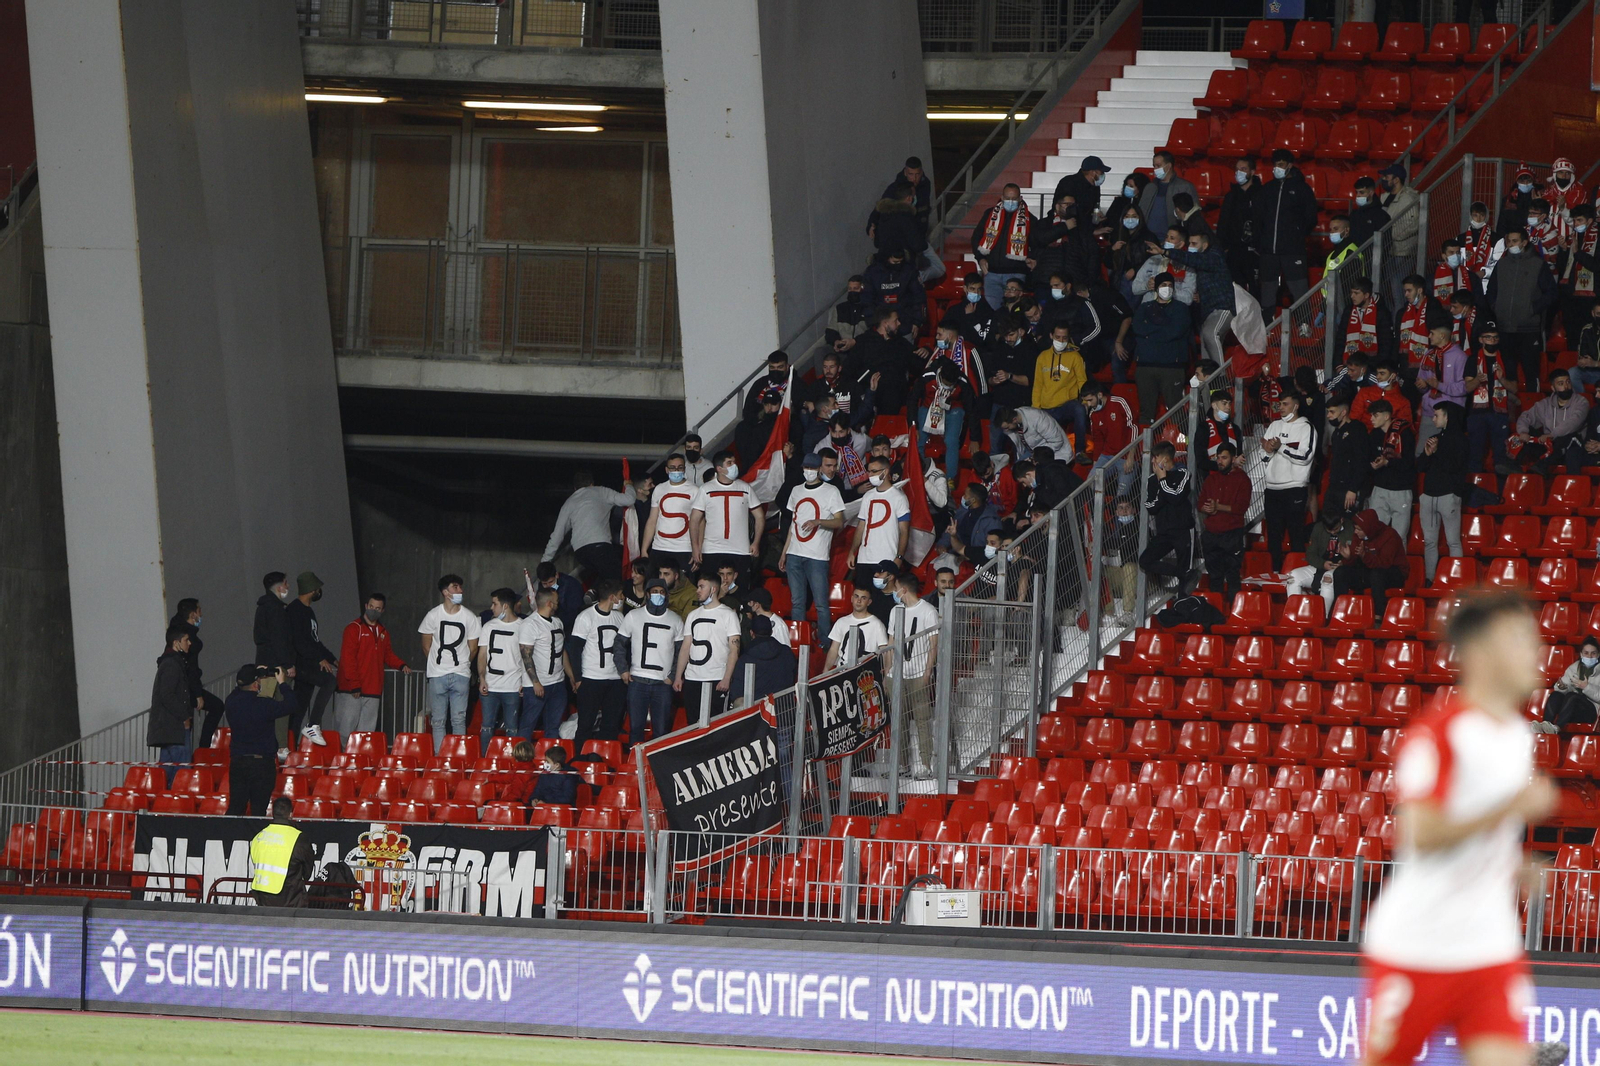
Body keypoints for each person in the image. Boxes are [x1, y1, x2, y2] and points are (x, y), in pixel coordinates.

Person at [1361, 594, 1558, 1066]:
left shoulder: (1515, 736)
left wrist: (1513, 865)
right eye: (1520, 639)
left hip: (1489, 947)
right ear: (1481, 651)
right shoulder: (1439, 734)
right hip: (1417, 946)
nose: (1537, 652)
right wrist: (1509, 806)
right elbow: (1423, 834)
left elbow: (1479, 834)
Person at [780, 452, 845, 641]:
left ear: (819, 469)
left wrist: (818, 521)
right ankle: (800, 641)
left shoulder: (831, 491)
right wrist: (784, 553)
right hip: (794, 553)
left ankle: (824, 642)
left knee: (821, 604)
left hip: (817, 556)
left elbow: (839, 521)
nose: (808, 471)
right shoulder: (796, 491)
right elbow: (794, 524)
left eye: (812, 468)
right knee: (797, 603)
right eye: (806, 468)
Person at [1486, 227, 1557, 390]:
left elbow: (1551, 293)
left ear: (1524, 242)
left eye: (1515, 241)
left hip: (1528, 329)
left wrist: (1532, 309)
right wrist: (1497, 308)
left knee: (1531, 373)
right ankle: (1511, 411)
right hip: (1505, 328)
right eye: (1508, 241)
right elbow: (1491, 291)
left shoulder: (1538, 264)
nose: (1511, 244)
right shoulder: (1501, 264)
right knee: (1509, 374)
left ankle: (1534, 406)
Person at [332, 593, 409, 739]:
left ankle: (360, 760)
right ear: (366, 606)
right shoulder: (354, 629)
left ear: (382, 610)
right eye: (371, 606)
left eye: (377, 608)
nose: (373, 610)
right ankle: (341, 759)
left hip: (372, 690)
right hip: (351, 690)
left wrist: (401, 665)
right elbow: (348, 659)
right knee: (345, 731)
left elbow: (387, 655)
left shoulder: (383, 632)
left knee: (366, 734)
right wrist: (354, 684)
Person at [418, 574, 481, 753]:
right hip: (445, 673)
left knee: (455, 720)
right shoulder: (434, 615)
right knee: (441, 720)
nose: (460, 590)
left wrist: (457, 664)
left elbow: (473, 647)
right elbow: (426, 645)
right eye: (455, 587)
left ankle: (455, 759)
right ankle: (443, 759)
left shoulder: (468, 617)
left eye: (460, 587)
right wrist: (459, 664)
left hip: (454, 673)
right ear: (445, 592)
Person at [225, 665, 297, 816]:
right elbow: (291, 704)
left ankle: (230, 837)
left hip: (238, 763)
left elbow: (239, 689)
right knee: (258, 810)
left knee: (236, 808)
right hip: (262, 765)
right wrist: (283, 683)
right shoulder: (264, 704)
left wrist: (252, 674)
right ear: (256, 684)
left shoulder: (231, 702)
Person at [890, 572, 941, 779]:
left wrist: (927, 673)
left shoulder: (928, 611)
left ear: (903, 589)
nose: (894, 592)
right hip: (897, 674)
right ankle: (902, 765)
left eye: (895, 588)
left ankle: (926, 765)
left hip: (918, 673)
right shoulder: (895, 610)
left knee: (922, 721)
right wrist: (888, 671)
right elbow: (892, 640)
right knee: (898, 721)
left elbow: (933, 644)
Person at [542, 469, 634, 582]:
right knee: (617, 578)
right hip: (600, 545)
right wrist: (629, 486)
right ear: (592, 484)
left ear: (575, 488)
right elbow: (629, 500)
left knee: (602, 576)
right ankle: (593, 592)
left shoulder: (569, 502)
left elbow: (557, 536)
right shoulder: (601, 491)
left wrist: (544, 563)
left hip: (580, 552)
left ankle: (594, 592)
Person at [1253, 150, 1319, 307]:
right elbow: (1258, 217)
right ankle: (1268, 325)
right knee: (1268, 289)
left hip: (1293, 250)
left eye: (1281, 164)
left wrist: (1297, 235)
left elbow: (1310, 217)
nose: (1277, 168)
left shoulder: (1302, 189)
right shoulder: (1267, 189)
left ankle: (1304, 325)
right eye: (1275, 164)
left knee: (1299, 288)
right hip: (1269, 250)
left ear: (1290, 165)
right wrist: (1260, 241)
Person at [621, 577, 684, 744]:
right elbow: (619, 644)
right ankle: (635, 765)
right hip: (637, 682)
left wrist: (672, 676)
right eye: (655, 592)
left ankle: (655, 768)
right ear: (647, 594)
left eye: (662, 592)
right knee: (635, 729)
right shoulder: (633, 616)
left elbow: (681, 652)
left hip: (662, 684)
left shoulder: (676, 620)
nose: (658, 595)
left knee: (662, 731)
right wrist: (623, 670)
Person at [567, 578, 627, 748]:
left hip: (615, 679)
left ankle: (604, 760)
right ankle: (580, 759)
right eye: (621, 595)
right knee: (586, 724)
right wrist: (578, 678)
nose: (622, 598)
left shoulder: (619, 617)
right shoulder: (586, 617)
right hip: (591, 678)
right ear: (613, 597)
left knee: (611, 725)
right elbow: (575, 650)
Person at [675, 571, 741, 721]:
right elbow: (686, 647)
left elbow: (734, 649)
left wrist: (726, 678)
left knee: (716, 724)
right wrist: (679, 675)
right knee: (692, 723)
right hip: (693, 678)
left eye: (701, 587)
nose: (697, 591)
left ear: (713, 589)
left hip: (716, 679)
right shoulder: (693, 615)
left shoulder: (728, 615)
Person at [1261, 391, 1315, 572]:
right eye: (1280, 404)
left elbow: (1306, 457)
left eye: (1285, 404)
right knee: (1274, 536)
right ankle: (1275, 572)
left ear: (1296, 405)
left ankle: (1298, 573)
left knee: (1296, 533)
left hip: (1294, 488)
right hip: (1272, 488)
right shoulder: (1274, 425)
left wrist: (1280, 447)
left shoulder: (1306, 427)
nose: (1281, 408)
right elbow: (1263, 456)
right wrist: (1268, 451)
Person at [690, 450, 764, 580]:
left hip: (740, 550)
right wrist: (695, 547)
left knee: (740, 592)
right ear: (719, 468)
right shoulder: (705, 489)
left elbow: (759, 516)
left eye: (734, 462)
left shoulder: (745, 488)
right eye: (729, 463)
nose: (734, 465)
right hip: (712, 550)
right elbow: (695, 520)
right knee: (711, 591)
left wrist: (756, 542)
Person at [1417, 402, 1469, 583]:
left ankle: (1457, 579)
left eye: (1437, 415)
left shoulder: (1461, 440)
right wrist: (1428, 453)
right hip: (1429, 495)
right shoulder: (1434, 438)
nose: (1433, 418)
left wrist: (1437, 452)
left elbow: (1454, 467)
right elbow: (1420, 466)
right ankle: (1430, 579)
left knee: (1453, 542)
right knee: (1429, 542)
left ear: (1447, 417)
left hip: (1448, 495)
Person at [284, 571, 336, 748]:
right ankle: (313, 725)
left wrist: (333, 659)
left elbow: (315, 641)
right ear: (311, 589)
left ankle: (289, 748)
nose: (319, 591)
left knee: (298, 709)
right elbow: (299, 641)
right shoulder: (295, 610)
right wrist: (319, 659)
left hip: (307, 662)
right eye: (317, 588)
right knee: (329, 681)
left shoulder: (308, 611)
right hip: (302, 663)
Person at [1131, 272, 1191, 423]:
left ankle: (1186, 445)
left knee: (1177, 412)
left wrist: (1150, 333)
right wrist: (1163, 330)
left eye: (1170, 285)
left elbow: (1175, 331)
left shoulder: (1181, 308)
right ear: (1156, 288)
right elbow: (1138, 328)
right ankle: (1145, 446)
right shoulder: (1144, 308)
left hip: (1172, 368)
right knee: (1146, 412)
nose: (1167, 288)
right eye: (1164, 285)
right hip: (1145, 367)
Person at [1139, 441, 1196, 593]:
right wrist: (1162, 485)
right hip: (1163, 531)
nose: (1153, 461)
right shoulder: (1152, 480)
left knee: (1185, 580)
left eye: (1155, 457)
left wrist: (1163, 480)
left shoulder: (1183, 474)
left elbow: (1177, 498)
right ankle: (1182, 573)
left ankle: (1183, 601)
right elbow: (1151, 506)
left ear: (1165, 459)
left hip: (1182, 529)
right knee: (1145, 561)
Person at [1198, 441, 1252, 603]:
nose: (1220, 461)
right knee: (1215, 577)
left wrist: (1217, 507)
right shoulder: (1211, 479)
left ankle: (1233, 612)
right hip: (1211, 535)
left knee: (1232, 575)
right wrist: (1206, 509)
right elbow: (1200, 503)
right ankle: (1216, 611)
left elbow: (1241, 507)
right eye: (1218, 458)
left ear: (1233, 458)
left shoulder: (1243, 480)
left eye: (1224, 458)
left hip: (1231, 534)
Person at [1169, 230, 1233, 365]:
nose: (1191, 246)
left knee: (1210, 333)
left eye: (1194, 243)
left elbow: (1197, 260)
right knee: (1205, 342)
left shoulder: (1214, 256)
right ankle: (1208, 380)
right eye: (1189, 243)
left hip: (1223, 308)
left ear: (1204, 245)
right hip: (1208, 313)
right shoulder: (1197, 266)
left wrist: (1167, 252)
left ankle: (1220, 378)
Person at [846, 455, 910, 589]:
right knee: (863, 600)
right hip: (864, 559)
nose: (870, 475)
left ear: (885, 471)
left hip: (887, 559)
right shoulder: (868, 496)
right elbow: (861, 526)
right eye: (869, 471)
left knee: (881, 602)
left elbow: (904, 531)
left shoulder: (899, 497)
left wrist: (899, 557)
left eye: (874, 471)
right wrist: (853, 551)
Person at [475, 588, 526, 752]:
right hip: (490, 686)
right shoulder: (488, 626)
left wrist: (525, 681)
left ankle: (512, 763)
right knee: (486, 728)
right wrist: (482, 678)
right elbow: (482, 655)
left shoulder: (523, 627)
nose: (491, 608)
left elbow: (528, 657)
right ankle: (484, 763)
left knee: (512, 729)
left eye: (494, 604)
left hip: (513, 686)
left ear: (505, 606)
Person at [1512, 368, 1591, 475]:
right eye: (1561, 384)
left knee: (1570, 437)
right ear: (1553, 388)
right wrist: (1523, 432)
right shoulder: (1545, 404)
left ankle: (1543, 465)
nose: (1566, 386)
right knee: (1525, 434)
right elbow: (1525, 417)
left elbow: (1573, 423)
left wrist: (1552, 435)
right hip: (1549, 446)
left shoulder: (1581, 402)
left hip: (1571, 448)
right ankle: (1513, 467)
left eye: (1568, 382)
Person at [169, 598, 224, 749]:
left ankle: (197, 752)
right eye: (199, 610)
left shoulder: (176, 628)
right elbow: (191, 668)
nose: (201, 614)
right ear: (193, 614)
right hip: (187, 686)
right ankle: (203, 749)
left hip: (183, 686)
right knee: (217, 706)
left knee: (189, 720)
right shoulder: (189, 636)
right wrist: (197, 693)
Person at [1465, 321, 1519, 474]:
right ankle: (1475, 489)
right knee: (1475, 455)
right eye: (1488, 337)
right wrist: (1477, 380)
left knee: (1501, 458)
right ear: (1481, 339)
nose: (1492, 340)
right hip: (1476, 413)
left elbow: (1514, 388)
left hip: (1499, 413)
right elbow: (1467, 388)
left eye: (1495, 337)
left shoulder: (1506, 359)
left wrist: (1502, 379)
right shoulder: (1472, 359)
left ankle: (1501, 492)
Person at [971, 183, 1035, 309]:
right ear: (1001, 197)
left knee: (1014, 312)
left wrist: (1032, 258)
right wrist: (980, 258)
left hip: (1016, 274)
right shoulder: (989, 215)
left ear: (1020, 198)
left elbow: (1037, 244)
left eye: (1014, 199)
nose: (1010, 202)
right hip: (992, 274)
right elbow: (976, 238)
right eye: (1007, 198)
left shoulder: (1030, 219)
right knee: (992, 313)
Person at [1333, 508, 1408, 616]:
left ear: (1368, 529)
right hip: (1369, 569)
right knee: (1341, 572)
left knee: (1377, 574)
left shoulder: (1389, 535)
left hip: (1394, 573)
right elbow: (1356, 561)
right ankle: (1340, 612)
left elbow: (1385, 563)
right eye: (1355, 528)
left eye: (1359, 529)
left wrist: (1364, 556)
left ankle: (1379, 615)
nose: (1355, 531)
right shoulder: (1358, 536)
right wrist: (1349, 558)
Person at [517, 587, 567, 741]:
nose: (559, 603)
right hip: (538, 685)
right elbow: (526, 656)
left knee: (553, 727)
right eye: (556, 601)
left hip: (558, 682)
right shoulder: (530, 624)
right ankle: (521, 758)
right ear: (550, 603)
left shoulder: (557, 622)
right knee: (527, 725)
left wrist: (571, 676)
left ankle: (550, 760)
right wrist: (536, 682)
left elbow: (562, 651)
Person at [249, 797, 316, 908]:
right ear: (290, 814)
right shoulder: (298, 838)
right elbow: (307, 873)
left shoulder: (259, 836)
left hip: (263, 900)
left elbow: (255, 862)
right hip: (291, 900)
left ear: (272, 813)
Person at [148, 623, 194, 786]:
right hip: (175, 729)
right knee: (181, 775)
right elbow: (167, 695)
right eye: (186, 640)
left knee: (165, 775)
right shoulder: (172, 665)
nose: (189, 643)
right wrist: (184, 717)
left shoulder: (167, 663)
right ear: (176, 642)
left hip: (167, 730)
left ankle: (163, 806)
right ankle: (176, 808)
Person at [1031, 322, 1089, 447]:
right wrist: (1036, 408)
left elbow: (1082, 381)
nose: (1061, 341)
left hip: (1066, 405)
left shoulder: (1075, 356)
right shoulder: (1042, 357)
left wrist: (1085, 401)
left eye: (1064, 338)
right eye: (1058, 337)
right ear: (1051, 335)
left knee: (1079, 409)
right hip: (1047, 407)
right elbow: (1038, 384)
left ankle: (1080, 451)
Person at [1367, 399, 1416, 541]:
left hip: (1401, 490)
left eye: (1375, 415)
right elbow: (1369, 457)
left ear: (1386, 416)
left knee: (1398, 537)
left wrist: (1387, 462)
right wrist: (1374, 464)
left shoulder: (1404, 433)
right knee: (1375, 534)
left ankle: (1397, 563)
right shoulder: (1374, 434)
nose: (1371, 419)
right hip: (1380, 488)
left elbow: (1408, 462)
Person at [1415, 323, 1469, 447]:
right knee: (1422, 451)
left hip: (1451, 415)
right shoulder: (1428, 354)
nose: (1429, 336)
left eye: (1432, 333)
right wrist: (1422, 386)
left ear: (1442, 336)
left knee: (1447, 453)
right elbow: (1422, 384)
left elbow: (1463, 388)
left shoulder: (1460, 356)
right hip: (1430, 413)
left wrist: (1439, 385)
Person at [642, 452, 698, 572]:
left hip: (684, 549)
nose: (676, 470)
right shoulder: (659, 489)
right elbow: (652, 520)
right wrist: (644, 549)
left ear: (684, 469)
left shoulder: (695, 490)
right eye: (672, 468)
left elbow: (699, 522)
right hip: (659, 547)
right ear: (667, 470)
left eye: (680, 467)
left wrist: (696, 549)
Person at [727, 615, 798, 708]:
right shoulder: (787, 652)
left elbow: (736, 693)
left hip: (758, 715)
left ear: (751, 633)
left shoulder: (745, 658)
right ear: (771, 632)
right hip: (785, 710)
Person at [1378, 163, 1423, 310]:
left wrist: (1392, 236)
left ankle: (1401, 322)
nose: (1384, 179)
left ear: (1396, 179)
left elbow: (1412, 224)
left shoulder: (1408, 199)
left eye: (1387, 176)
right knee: (1384, 289)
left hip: (1402, 251)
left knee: (1397, 288)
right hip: (1387, 250)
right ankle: (1394, 319)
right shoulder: (1384, 197)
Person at [1324, 391, 1371, 517]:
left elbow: (1361, 461)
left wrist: (1353, 489)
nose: (1328, 415)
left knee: (1348, 524)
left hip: (1349, 488)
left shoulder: (1357, 429)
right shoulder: (1336, 433)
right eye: (1328, 412)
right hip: (1334, 487)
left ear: (1343, 412)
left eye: (1332, 412)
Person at [1542, 635, 1600, 734]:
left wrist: (1586, 687)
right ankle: (1545, 725)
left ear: (1598, 655)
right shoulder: (1574, 668)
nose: (1589, 656)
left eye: (1593, 653)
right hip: (1572, 710)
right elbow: (1562, 687)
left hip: (1591, 711)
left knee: (1572, 696)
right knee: (1556, 695)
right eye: (1586, 653)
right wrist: (1561, 687)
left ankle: (1557, 727)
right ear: (1581, 654)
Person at [1136, 151, 1198, 242]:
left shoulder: (1185, 187)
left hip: (1172, 241)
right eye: (1154, 166)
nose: (1155, 169)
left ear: (1168, 166)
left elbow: (1193, 216)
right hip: (1147, 239)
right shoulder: (1150, 187)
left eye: (1158, 166)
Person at [1218, 156, 1261, 288]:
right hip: (1233, 251)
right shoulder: (1230, 196)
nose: (1239, 172)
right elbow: (1223, 223)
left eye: (1243, 169)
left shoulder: (1262, 195)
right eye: (1237, 169)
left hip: (1255, 252)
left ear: (1252, 172)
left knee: (1255, 288)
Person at [824, 587, 890, 671]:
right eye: (856, 596)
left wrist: (886, 672)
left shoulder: (877, 624)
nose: (859, 601)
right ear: (852, 599)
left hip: (866, 674)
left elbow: (884, 651)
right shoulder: (841, 622)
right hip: (842, 672)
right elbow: (834, 649)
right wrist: (825, 671)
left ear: (869, 602)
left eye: (863, 598)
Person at [1102, 496, 1141, 626]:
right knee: (1103, 571)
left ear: (1134, 510)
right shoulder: (1111, 529)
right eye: (1120, 508)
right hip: (1121, 577)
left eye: (1127, 507)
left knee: (1129, 566)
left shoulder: (1140, 526)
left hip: (1140, 577)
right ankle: (1109, 613)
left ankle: (1128, 612)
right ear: (1116, 512)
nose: (1124, 511)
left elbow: (1129, 546)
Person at [1134, 227, 1198, 306]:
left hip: (1173, 312)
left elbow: (1188, 299)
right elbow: (1135, 288)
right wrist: (1147, 286)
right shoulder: (1153, 260)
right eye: (1166, 237)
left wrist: (1168, 289)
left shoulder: (1187, 266)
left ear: (1181, 244)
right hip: (1149, 308)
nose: (1167, 240)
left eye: (1172, 238)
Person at [253, 571, 295, 677]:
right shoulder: (276, 609)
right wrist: (287, 664)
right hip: (276, 665)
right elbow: (279, 638)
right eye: (285, 583)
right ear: (279, 588)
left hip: (263, 661)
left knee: (265, 693)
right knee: (281, 691)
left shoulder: (262, 607)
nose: (288, 586)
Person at [1342, 278, 1394, 362]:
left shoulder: (1381, 312)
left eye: (1356, 293)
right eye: (1351, 292)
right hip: (1350, 365)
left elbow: (1386, 343)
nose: (1352, 296)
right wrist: (1338, 365)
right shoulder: (1348, 310)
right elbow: (1341, 338)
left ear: (1366, 295)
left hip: (1373, 366)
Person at [1352, 361, 1414, 429]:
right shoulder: (1364, 392)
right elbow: (1354, 417)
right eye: (1377, 373)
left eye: (1382, 373)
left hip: (1386, 437)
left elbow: (1403, 427)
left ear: (1393, 376)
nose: (1378, 377)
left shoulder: (1403, 402)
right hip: (1363, 435)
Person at [1051, 154, 1107, 228]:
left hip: (1085, 229)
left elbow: (1094, 207)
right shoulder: (1069, 182)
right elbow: (1066, 210)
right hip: (1068, 227)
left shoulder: (1095, 187)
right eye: (1101, 172)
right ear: (1093, 172)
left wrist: (1096, 215)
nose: (1103, 175)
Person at [996, 405, 1069, 461]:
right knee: (1017, 471)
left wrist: (1036, 457)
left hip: (1057, 453)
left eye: (1007, 427)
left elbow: (1057, 441)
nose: (1006, 430)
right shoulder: (1015, 422)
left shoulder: (1037, 418)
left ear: (1014, 420)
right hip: (1032, 453)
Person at [520, 742, 580, 807]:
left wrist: (546, 802)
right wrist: (534, 798)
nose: (545, 763)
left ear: (557, 765)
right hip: (542, 806)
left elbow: (567, 798)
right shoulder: (544, 774)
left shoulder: (568, 776)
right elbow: (538, 789)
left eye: (548, 762)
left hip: (559, 809)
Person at [826, 275, 873, 354]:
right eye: (850, 289)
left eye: (855, 288)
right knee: (820, 351)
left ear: (862, 289)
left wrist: (854, 341)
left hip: (862, 346)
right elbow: (830, 331)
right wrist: (836, 341)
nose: (852, 292)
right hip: (843, 347)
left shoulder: (870, 308)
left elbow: (873, 333)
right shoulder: (840, 308)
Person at [1202, 388, 1244, 474]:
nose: (1228, 407)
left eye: (1229, 404)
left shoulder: (1235, 428)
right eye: (1224, 403)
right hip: (1212, 480)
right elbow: (1201, 460)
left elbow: (1239, 453)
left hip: (1233, 479)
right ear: (1214, 405)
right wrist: (1229, 464)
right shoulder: (1203, 428)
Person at [1348, 176, 1390, 250]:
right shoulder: (1354, 214)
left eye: (1361, 192)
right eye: (1356, 192)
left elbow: (1386, 241)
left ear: (1371, 193)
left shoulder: (1381, 215)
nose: (1358, 195)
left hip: (1372, 258)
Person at [1574, 300, 1600, 397]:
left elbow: (1592, 362)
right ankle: (1583, 402)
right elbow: (1582, 355)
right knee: (1572, 374)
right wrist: (1583, 361)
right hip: (1590, 371)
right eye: (1598, 314)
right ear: (1593, 314)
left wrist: (1595, 363)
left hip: (1595, 367)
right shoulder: (1587, 330)